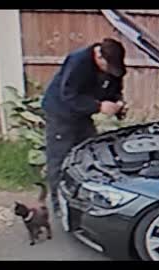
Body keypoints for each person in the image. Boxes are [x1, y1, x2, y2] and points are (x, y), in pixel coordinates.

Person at [41, 38, 128, 217]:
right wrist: (99, 107)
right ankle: (59, 206)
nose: (110, 72)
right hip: (60, 113)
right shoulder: (78, 61)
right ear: (99, 57)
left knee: (89, 153)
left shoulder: (112, 65)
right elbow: (69, 95)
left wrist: (118, 103)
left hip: (82, 115)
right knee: (60, 158)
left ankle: (84, 200)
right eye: (108, 68)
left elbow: (115, 85)